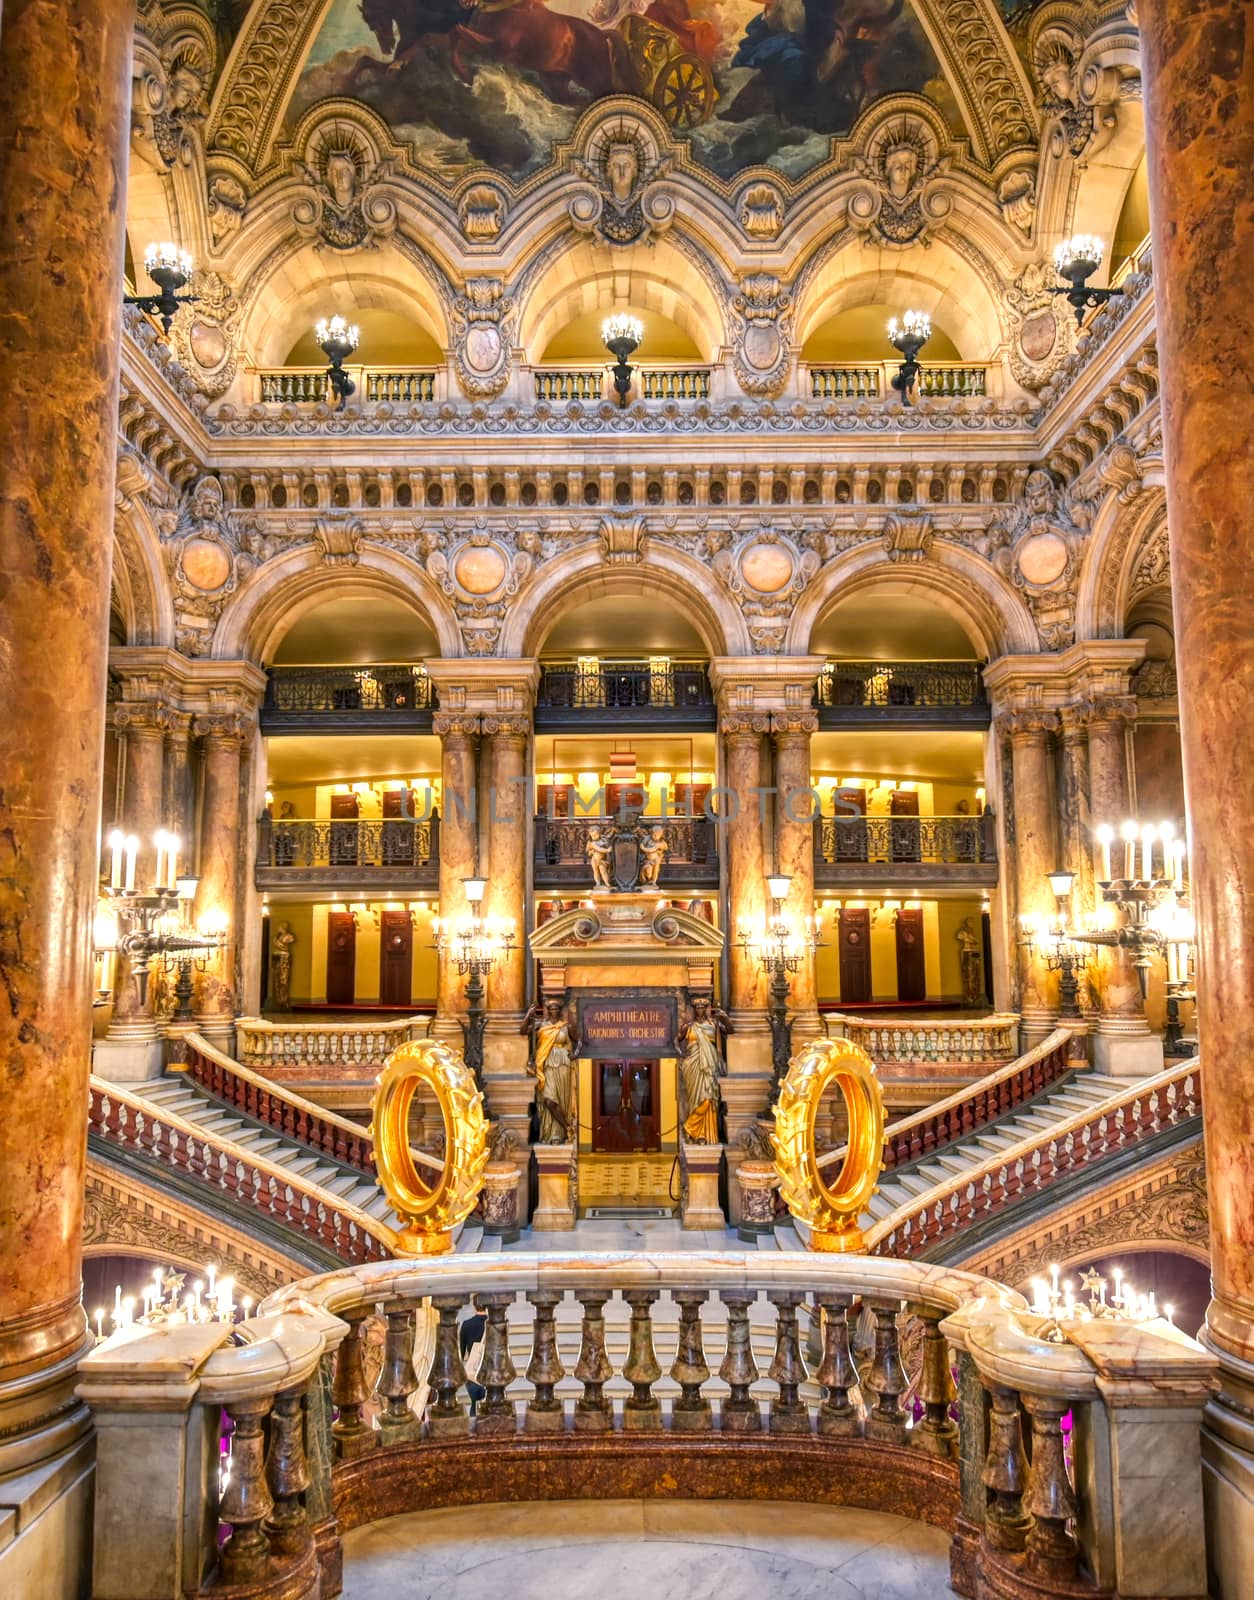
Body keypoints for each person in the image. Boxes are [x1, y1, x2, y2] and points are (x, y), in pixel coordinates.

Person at [520, 999, 579, 1143]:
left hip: (564, 1065)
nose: (553, 1011)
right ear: (547, 1010)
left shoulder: (565, 1026)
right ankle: (567, 1127)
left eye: (556, 1008)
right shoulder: (541, 1025)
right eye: (551, 1008)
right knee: (549, 1100)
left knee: (562, 1099)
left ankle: (557, 1135)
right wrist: (528, 1015)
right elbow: (522, 1031)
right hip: (546, 1063)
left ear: (560, 1011)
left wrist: (575, 1054)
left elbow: (580, 1040)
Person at [677, 995, 732, 1144]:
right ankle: (699, 1134)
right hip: (693, 1065)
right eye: (697, 1008)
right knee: (695, 1099)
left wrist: (725, 1018)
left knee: (708, 1098)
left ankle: (690, 1127)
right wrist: (682, 1054)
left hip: (710, 1064)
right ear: (694, 1010)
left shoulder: (713, 1024)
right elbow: (676, 1040)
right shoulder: (688, 1026)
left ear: (706, 1009)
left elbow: (730, 1030)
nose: (700, 1010)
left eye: (702, 1007)